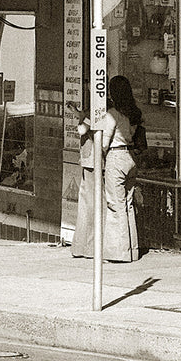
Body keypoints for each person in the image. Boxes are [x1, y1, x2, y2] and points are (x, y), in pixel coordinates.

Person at [73, 75, 144, 262]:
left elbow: (103, 143)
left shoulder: (113, 113)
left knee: (115, 206)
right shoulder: (133, 112)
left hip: (116, 157)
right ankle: (132, 249)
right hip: (131, 158)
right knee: (128, 206)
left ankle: (118, 252)